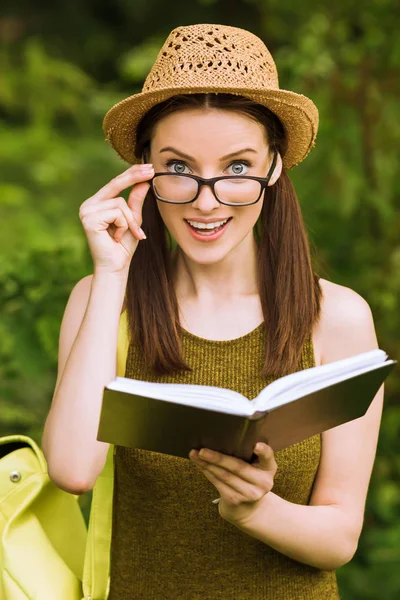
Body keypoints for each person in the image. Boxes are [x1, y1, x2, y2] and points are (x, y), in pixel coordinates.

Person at [42, 24, 385, 600]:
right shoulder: (103, 298)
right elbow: (73, 471)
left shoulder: (338, 318)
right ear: (145, 169)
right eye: (178, 168)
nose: (206, 201)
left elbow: (339, 535)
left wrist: (256, 510)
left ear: (273, 168)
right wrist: (110, 274)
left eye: (237, 168)